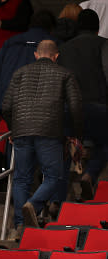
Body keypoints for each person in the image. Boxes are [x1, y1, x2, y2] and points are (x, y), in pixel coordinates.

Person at [2, 40, 83, 231]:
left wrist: (13, 128)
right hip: (50, 132)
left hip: (21, 131)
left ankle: (21, 223)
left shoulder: (19, 73)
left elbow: (6, 106)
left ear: (36, 55)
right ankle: (34, 204)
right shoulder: (65, 74)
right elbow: (76, 107)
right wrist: (76, 134)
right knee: (54, 176)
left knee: (21, 179)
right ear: (56, 56)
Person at [58, 9, 108, 200]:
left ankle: (57, 200)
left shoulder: (63, 49)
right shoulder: (103, 44)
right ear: (97, 29)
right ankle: (90, 174)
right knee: (105, 142)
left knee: (62, 151)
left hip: (69, 108)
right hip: (97, 108)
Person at [0, 10, 57, 116]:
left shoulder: (10, 43)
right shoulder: (56, 44)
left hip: (9, 105)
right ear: (51, 28)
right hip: (43, 109)